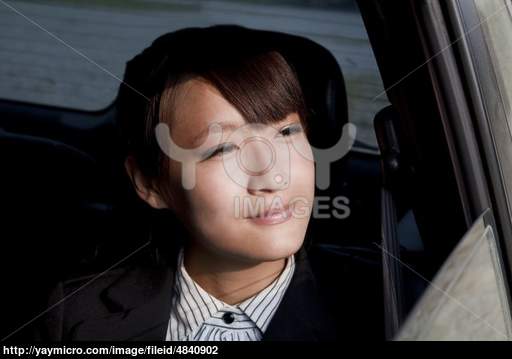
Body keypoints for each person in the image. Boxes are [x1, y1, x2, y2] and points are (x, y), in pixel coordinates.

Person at [30, 25, 384, 341]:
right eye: (223, 149)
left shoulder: (388, 306)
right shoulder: (76, 313)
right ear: (149, 183)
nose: (272, 176)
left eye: (287, 132)